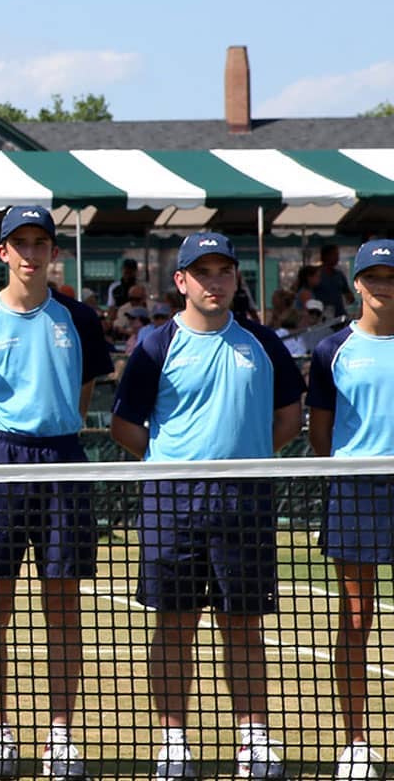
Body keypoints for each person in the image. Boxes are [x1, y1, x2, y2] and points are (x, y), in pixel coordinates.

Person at [110, 231, 303, 781]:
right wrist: (177, 464)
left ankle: (255, 743)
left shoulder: (264, 344)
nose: (213, 282)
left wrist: (246, 459)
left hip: (246, 502)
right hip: (171, 502)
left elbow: (289, 418)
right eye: (202, 272)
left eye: (222, 272)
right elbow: (125, 426)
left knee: (243, 626)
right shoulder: (153, 344)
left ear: (235, 278)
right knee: (175, 625)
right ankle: (174, 744)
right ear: (181, 282)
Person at [0, 208, 111, 779]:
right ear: (3, 252)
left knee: (63, 605)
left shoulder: (81, 318)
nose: (31, 253)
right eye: (21, 243)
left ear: (52, 251)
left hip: (63, 458)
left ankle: (60, 736)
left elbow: (85, 389)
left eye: (41, 242)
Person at [306, 240, 394, 780]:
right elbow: (320, 434)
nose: (384, 284)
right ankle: (356, 743)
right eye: (374, 276)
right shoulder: (331, 350)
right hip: (356, 490)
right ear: (357, 283)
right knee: (357, 617)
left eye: (392, 275)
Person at [314, 244, 356, 316]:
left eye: (337, 255)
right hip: (320, 317)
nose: (337, 257)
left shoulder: (339, 275)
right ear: (326, 256)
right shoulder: (315, 274)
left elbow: (349, 295)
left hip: (339, 316)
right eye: (334, 254)